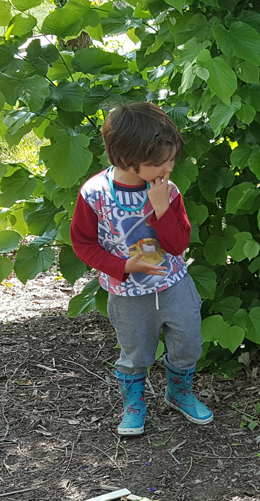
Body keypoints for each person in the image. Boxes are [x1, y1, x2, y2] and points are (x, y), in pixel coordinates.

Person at [69, 101, 212, 436]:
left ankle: (180, 392)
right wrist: (122, 266)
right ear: (126, 159)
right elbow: (83, 243)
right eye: (158, 163)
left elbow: (178, 244)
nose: (168, 168)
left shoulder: (168, 192)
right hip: (128, 293)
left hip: (174, 284)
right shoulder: (95, 194)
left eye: (172, 159)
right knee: (135, 352)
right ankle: (133, 404)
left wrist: (162, 209)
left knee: (188, 342)